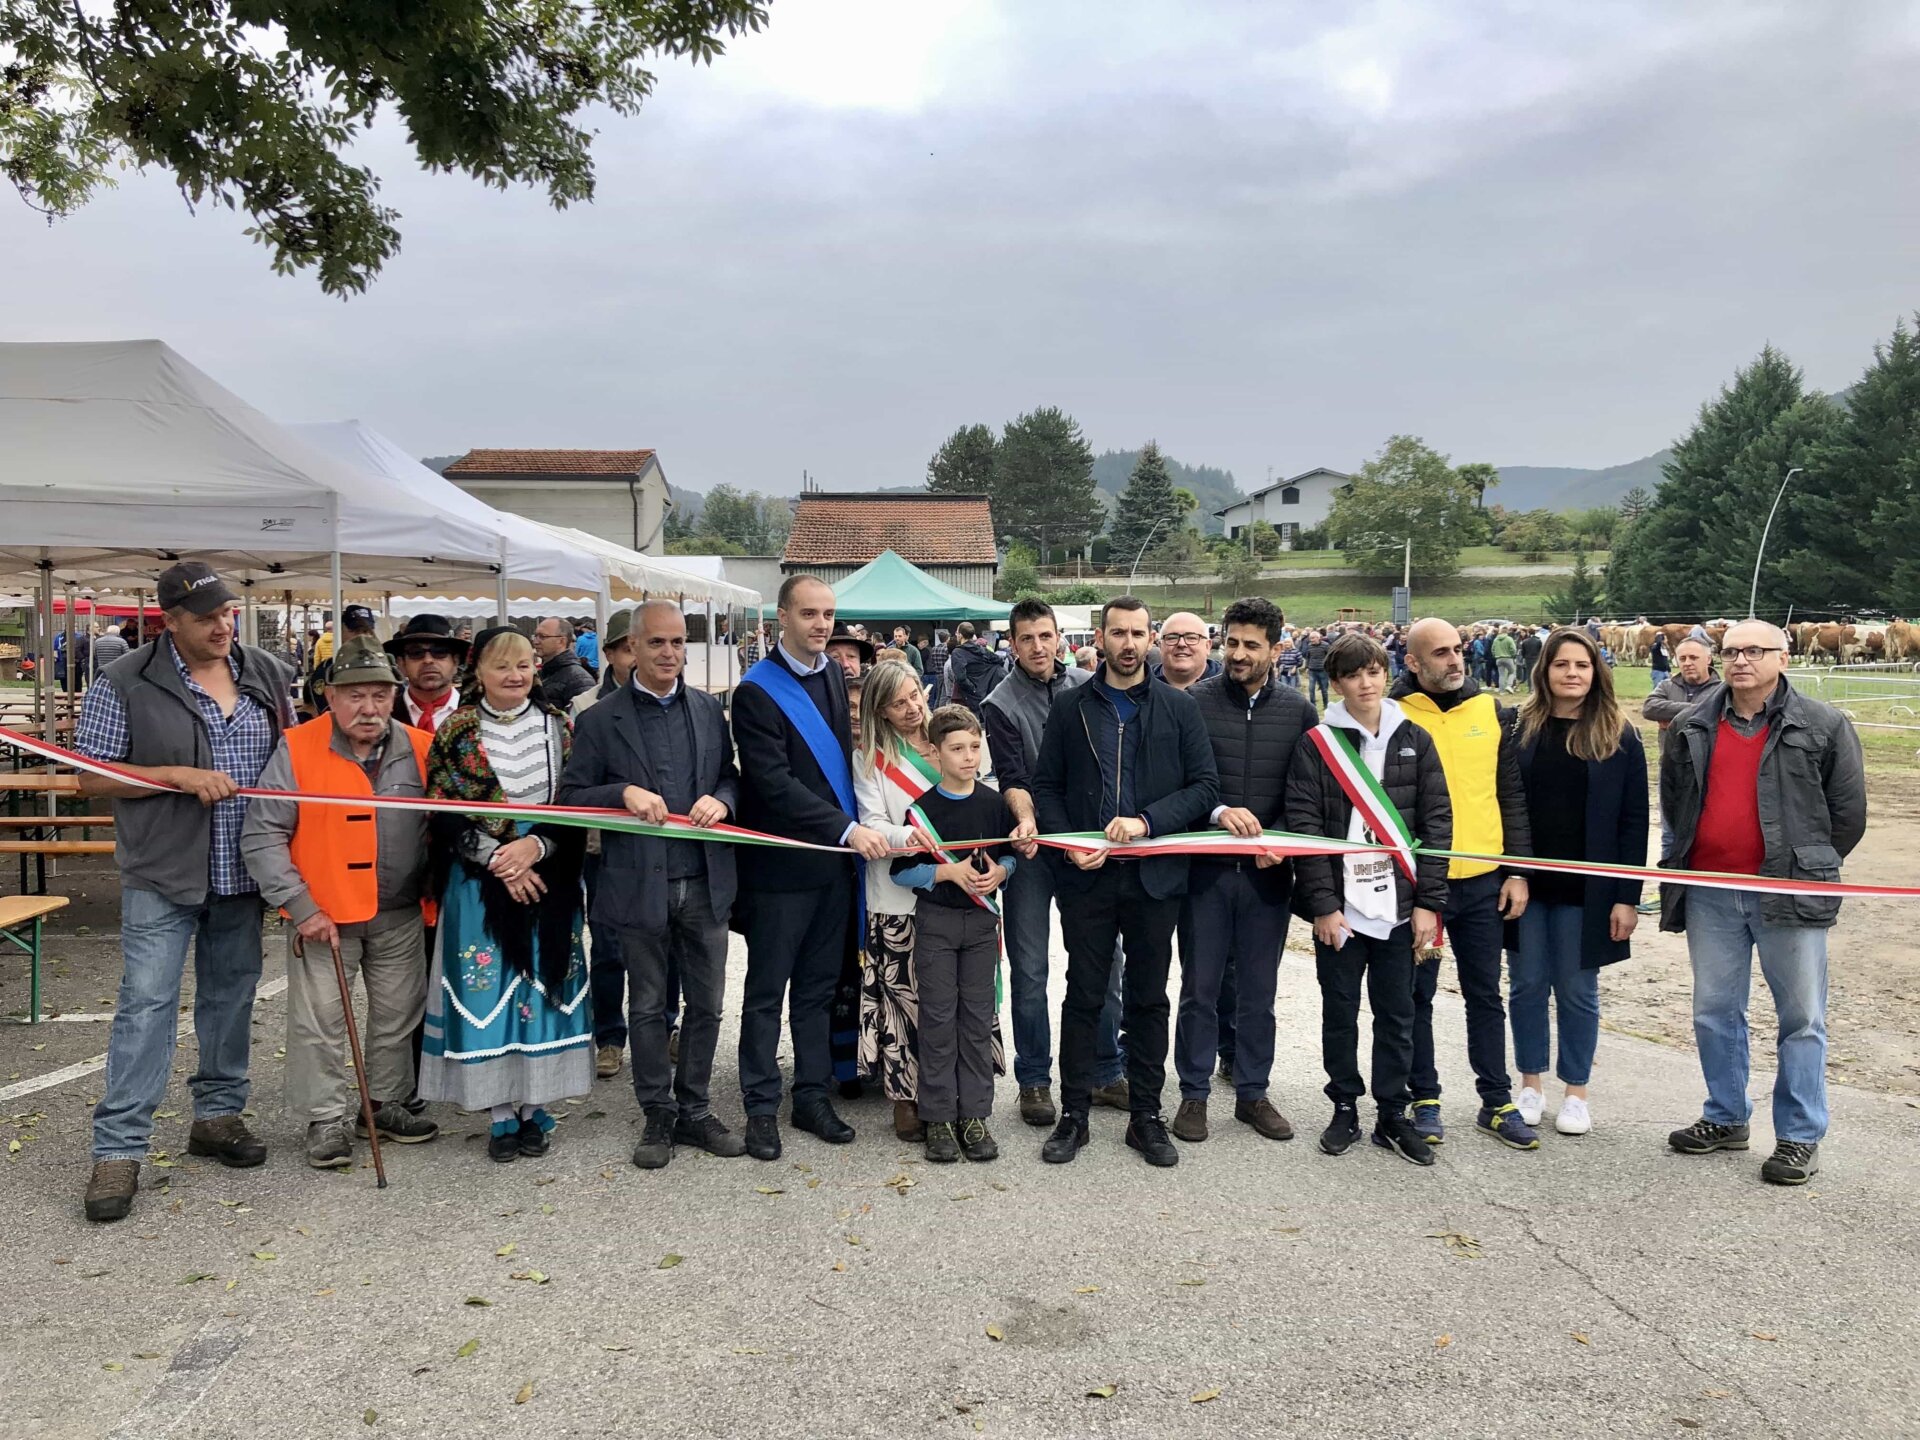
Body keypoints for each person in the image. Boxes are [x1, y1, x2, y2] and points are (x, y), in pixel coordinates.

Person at [73, 561, 294, 1223]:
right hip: (163, 872)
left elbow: (292, 755)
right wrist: (174, 775)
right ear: (168, 619)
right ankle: (118, 1148)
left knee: (230, 999)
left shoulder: (265, 672)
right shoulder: (124, 680)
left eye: (227, 613)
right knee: (146, 1006)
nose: (222, 626)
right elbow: (90, 778)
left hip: (242, 870)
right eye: (205, 618)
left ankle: (218, 1116)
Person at [1661, 621, 1866, 1186]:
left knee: (1801, 1017)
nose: (1741, 661)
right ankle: (1726, 1116)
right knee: (1714, 1011)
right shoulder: (1690, 725)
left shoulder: (1823, 724)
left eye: (1755, 651)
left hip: (1787, 892)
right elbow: (1677, 804)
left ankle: (1799, 1136)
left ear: (1784, 655)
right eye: (1731, 652)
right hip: (1711, 893)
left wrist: (1804, 866)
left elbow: (1847, 815)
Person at [555, 602, 746, 1169]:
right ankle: (657, 1112)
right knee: (646, 1007)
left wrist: (724, 799)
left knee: (708, 1005)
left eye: (677, 643)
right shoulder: (598, 720)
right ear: (630, 648)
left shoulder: (710, 711)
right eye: (657, 643)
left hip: (704, 881)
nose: (669, 654)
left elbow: (732, 778)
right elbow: (569, 797)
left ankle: (695, 1108)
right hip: (639, 883)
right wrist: (621, 794)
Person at [1031, 596, 1220, 1168]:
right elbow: (1046, 788)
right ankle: (1074, 1115)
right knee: (1085, 995)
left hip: (1153, 879)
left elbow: (1204, 787)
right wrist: (1075, 843)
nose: (1130, 643)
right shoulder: (1069, 707)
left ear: (1151, 638)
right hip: (1088, 880)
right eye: (1119, 632)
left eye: (1140, 633)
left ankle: (1145, 1117)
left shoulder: (1178, 708)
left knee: (1147, 998)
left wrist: (1148, 821)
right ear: (1101, 637)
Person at [239, 636, 439, 1168]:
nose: (368, 708)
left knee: (398, 1016)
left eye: (380, 695)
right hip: (322, 916)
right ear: (329, 696)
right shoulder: (297, 747)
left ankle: (383, 1104)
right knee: (321, 1021)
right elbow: (262, 835)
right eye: (355, 696)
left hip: (399, 912)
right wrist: (301, 906)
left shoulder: (421, 749)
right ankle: (325, 1118)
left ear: (395, 696)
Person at [732, 576, 892, 1160]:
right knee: (766, 992)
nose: (821, 624)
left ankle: (810, 1095)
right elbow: (772, 784)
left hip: (831, 867)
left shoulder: (830, 672)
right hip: (781, 871)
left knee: (819, 990)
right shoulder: (754, 691)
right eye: (809, 614)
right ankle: (757, 1104)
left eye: (828, 614)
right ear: (781, 618)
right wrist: (848, 829)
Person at [418, 628, 592, 1163]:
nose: (515, 675)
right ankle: (498, 1113)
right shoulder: (457, 731)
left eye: (523, 664)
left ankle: (536, 1107)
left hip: (549, 870)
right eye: (502, 666)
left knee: (540, 987)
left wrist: (535, 849)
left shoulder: (558, 728)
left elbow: (577, 803)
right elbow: (441, 811)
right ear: (479, 673)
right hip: (478, 879)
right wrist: (497, 858)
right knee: (487, 988)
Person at [1285, 633, 1451, 1166]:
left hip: (1400, 907)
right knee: (1340, 1013)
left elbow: (1438, 822)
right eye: (1354, 675)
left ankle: (1392, 1114)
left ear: (1386, 674)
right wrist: (1323, 906)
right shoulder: (1318, 743)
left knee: (1398, 1013)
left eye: (1374, 671)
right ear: (1336, 683)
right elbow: (1307, 831)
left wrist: (1429, 900)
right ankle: (1344, 1106)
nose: (1366, 683)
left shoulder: (1415, 737)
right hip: (1343, 908)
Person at [1392, 617, 1539, 1150]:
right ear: (1412, 662)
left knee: (1485, 994)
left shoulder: (1493, 712)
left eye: (1457, 650)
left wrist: (1518, 870)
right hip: (1421, 888)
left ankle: (1496, 1100)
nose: (1454, 660)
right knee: (1417, 996)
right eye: (1439, 653)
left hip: (1483, 881)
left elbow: (1512, 796)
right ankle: (1423, 1097)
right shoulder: (1395, 716)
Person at [1173, 598, 1316, 1144]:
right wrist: (1215, 814)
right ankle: (1192, 1095)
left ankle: (1253, 1093)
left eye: (1250, 645)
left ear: (1276, 649)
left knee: (1258, 992)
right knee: (1200, 988)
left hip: (1268, 876)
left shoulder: (1299, 712)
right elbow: (1183, 784)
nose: (1237, 653)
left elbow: (1305, 793)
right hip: (1205, 874)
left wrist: (1280, 839)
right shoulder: (1194, 703)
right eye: (1230, 642)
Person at [981, 599, 1126, 1128]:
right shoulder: (998, 702)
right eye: (1027, 639)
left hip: (1087, 845)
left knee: (1105, 962)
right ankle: (1035, 1080)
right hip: (1034, 849)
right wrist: (1025, 821)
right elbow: (1013, 775)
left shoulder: (1089, 686)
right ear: (1013, 645)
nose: (1038, 647)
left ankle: (1106, 1071)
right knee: (1031, 969)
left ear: (1059, 637)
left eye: (1046, 636)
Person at [1507, 628, 1647, 1138]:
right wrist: (1512, 871)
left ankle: (1576, 1093)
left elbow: (1634, 821)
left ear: (1596, 672)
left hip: (1588, 889)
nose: (1572, 673)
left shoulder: (1619, 733)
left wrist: (1626, 898)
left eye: (1582, 665)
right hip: (1525, 884)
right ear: (1544, 670)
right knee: (1525, 986)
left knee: (1577, 990)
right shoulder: (1520, 727)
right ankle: (1529, 1083)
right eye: (1561, 664)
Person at [886, 705, 1020, 1163]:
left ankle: (975, 1114)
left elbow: (1012, 857)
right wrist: (948, 875)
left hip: (983, 925)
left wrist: (1001, 872)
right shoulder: (921, 811)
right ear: (936, 753)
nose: (968, 757)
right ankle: (939, 1115)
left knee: (977, 1019)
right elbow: (902, 873)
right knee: (939, 1019)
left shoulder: (994, 804)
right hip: (937, 925)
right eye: (957, 749)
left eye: (974, 747)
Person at [1643, 639, 1717, 860]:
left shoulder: (1722, 690)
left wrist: (1674, 717)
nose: (1687, 663)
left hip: (1708, 775)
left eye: (1693, 658)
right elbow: (1650, 708)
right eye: (1682, 658)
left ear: (1708, 659)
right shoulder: (1666, 686)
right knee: (1669, 835)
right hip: (1671, 773)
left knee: (1705, 835)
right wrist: (1695, 711)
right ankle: (1669, 889)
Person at [385, 613, 468, 734]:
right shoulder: (385, 715)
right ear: (401, 664)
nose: (428, 660)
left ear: (455, 662)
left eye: (440, 652)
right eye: (416, 653)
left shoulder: (477, 715)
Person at [532, 615, 594, 709]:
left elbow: (585, 719)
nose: (535, 641)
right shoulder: (543, 673)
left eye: (542, 637)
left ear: (561, 641)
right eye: (535, 636)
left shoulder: (578, 679)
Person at [946, 621, 1005, 716]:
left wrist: (973, 689)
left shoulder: (958, 652)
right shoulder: (981, 649)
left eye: (957, 632)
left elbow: (960, 677)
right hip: (984, 694)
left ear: (960, 635)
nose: (956, 635)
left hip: (967, 697)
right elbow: (999, 660)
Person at [1153, 611, 1223, 690]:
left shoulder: (1231, 687)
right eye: (1172, 638)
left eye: (1191, 638)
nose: (1181, 644)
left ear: (1207, 646)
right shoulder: (1140, 684)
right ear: (1160, 645)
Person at [1303, 629, 1331, 707]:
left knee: (1324, 689)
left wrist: (1328, 667)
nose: (1311, 640)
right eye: (1310, 638)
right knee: (1311, 689)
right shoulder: (1309, 646)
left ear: (1318, 638)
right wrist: (1307, 667)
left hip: (1322, 670)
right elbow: (1308, 657)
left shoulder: (1325, 645)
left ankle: (1325, 705)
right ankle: (1313, 705)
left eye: (1313, 638)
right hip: (1312, 670)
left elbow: (1330, 657)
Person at [924, 629, 951, 702]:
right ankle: (941, 709)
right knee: (944, 695)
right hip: (945, 675)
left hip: (937, 674)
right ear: (947, 638)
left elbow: (932, 662)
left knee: (938, 694)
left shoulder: (934, 648)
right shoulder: (946, 649)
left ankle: (936, 708)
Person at [1492, 627, 1518, 693]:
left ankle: (1501, 691)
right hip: (1508, 658)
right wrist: (1513, 655)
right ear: (1507, 632)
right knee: (1512, 672)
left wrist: (1495, 655)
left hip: (1498, 658)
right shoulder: (1509, 639)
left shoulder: (1496, 639)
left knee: (1501, 675)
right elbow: (1513, 649)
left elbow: (1492, 649)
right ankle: (1509, 685)